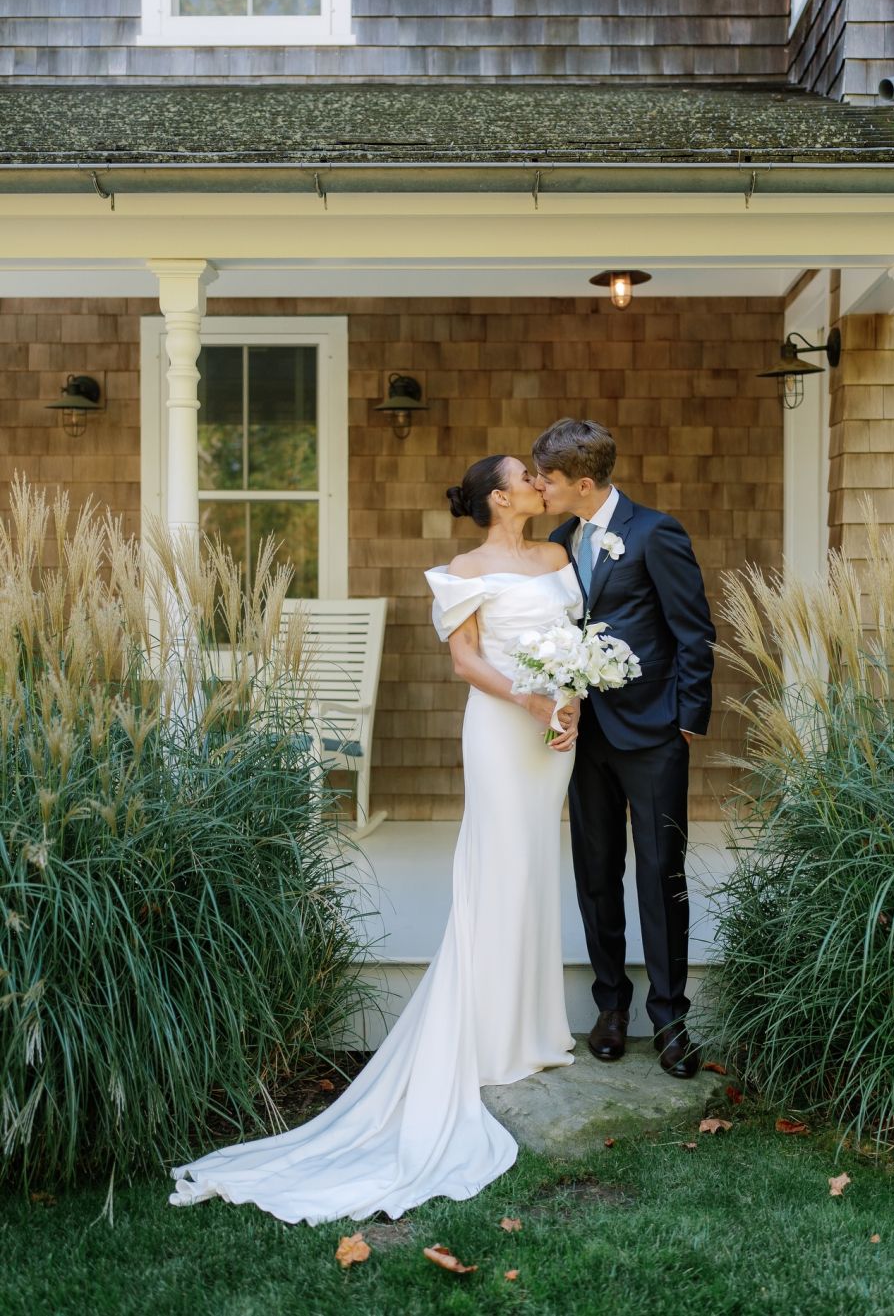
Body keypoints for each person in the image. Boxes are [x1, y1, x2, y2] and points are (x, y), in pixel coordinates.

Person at [168, 455, 582, 1225]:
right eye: (528, 473)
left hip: (554, 731)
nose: (540, 479)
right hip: (501, 725)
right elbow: (465, 659)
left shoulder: (561, 554)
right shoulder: (466, 568)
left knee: (535, 867)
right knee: (499, 866)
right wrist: (527, 700)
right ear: (499, 496)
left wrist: (569, 702)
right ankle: (490, 1034)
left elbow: (575, 639)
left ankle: (536, 1027)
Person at [533, 419, 715, 1078]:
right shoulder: (559, 540)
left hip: (654, 733)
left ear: (583, 483)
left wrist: (687, 719)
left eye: (547, 480)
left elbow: (694, 631)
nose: (538, 488)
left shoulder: (654, 533)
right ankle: (611, 1007)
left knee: (661, 873)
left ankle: (670, 1018)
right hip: (585, 739)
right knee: (596, 873)